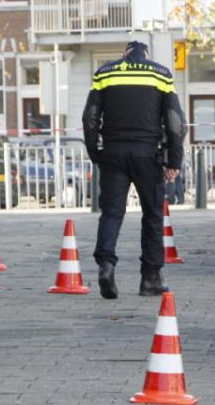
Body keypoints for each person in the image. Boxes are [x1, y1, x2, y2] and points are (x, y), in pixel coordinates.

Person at [82, 41, 186, 299]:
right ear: (146, 55)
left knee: (112, 213)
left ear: (124, 54)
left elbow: (90, 117)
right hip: (147, 155)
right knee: (152, 215)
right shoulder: (160, 74)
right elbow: (174, 120)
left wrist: (95, 152)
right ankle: (150, 278)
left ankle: (106, 265)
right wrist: (174, 160)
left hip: (114, 153)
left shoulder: (105, 73)